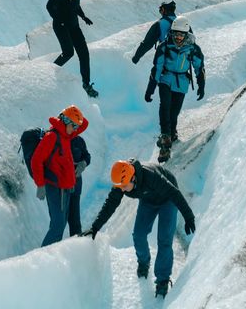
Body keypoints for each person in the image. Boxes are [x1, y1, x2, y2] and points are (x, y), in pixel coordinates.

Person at [82, 159, 195, 298]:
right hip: (148, 201)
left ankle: (162, 280)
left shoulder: (151, 176)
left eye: (124, 186)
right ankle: (143, 262)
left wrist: (188, 216)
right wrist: (95, 227)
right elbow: (110, 204)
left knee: (164, 240)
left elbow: (174, 193)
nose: (121, 189)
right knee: (138, 235)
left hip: (168, 200)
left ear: (133, 178)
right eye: (120, 186)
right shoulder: (121, 182)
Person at [145, 16, 205, 162]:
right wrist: (150, 89)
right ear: (171, 33)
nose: (178, 37)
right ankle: (165, 141)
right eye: (175, 34)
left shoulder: (192, 49)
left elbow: (199, 67)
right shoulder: (164, 47)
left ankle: (171, 134)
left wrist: (201, 85)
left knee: (174, 112)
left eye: (181, 34)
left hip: (181, 83)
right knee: (165, 106)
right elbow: (157, 68)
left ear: (186, 34)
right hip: (165, 80)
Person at [31, 105, 89, 247]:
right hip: (56, 187)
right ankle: (42, 260)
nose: (75, 130)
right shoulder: (52, 137)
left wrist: (74, 113)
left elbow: (84, 124)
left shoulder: (66, 135)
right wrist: (40, 184)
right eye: (73, 126)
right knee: (57, 226)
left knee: (60, 224)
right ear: (65, 123)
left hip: (65, 187)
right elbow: (36, 160)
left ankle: (49, 258)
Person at [46, 0, 98, 98]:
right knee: (68, 52)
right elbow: (49, 5)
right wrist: (59, 20)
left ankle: (86, 85)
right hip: (61, 26)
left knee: (84, 54)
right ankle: (47, 73)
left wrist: (83, 16)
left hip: (74, 25)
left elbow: (75, 5)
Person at [132, 0, 177, 64]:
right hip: (182, 65)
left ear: (163, 9)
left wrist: (136, 57)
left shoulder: (159, 24)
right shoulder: (183, 23)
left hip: (165, 62)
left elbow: (147, 43)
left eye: (160, 9)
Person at [68, 134, 91, 236]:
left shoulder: (79, 140)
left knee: (75, 219)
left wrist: (84, 162)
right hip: (61, 186)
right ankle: (52, 249)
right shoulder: (58, 138)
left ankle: (76, 245)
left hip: (76, 184)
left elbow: (87, 155)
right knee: (60, 221)